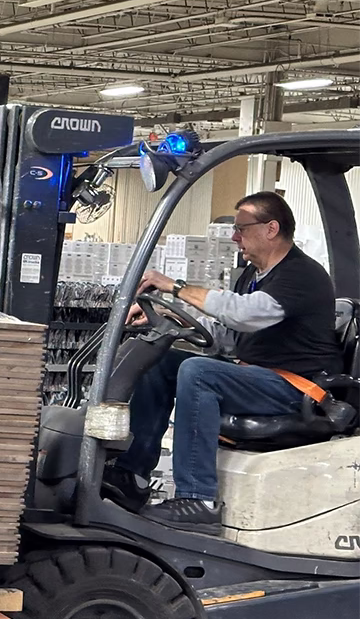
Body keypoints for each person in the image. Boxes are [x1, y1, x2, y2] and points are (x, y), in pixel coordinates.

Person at [116, 192, 342, 531]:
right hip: (257, 378)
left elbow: (242, 315)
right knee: (161, 361)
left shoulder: (302, 275)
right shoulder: (251, 275)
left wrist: (174, 287)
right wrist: (167, 318)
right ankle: (132, 476)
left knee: (199, 372)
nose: (235, 237)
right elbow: (228, 335)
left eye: (241, 229)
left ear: (271, 228)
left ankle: (198, 498)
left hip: (296, 387)